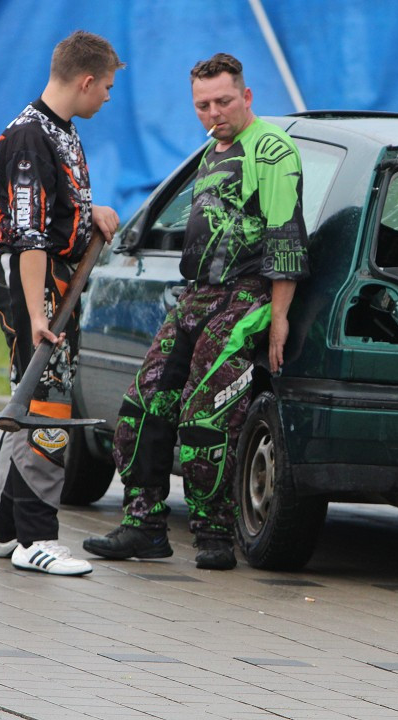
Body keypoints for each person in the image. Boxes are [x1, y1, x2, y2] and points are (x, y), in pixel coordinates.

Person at [83, 52, 309, 570]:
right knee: (141, 409)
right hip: (195, 298)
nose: (213, 113)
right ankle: (144, 527)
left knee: (205, 417)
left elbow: (286, 237)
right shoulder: (213, 148)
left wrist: (277, 316)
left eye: (224, 102)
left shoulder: (271, 149)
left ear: (247, 97)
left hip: (245, 297)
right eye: (203, 105)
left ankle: (213, 537)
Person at [0, 31, 122, 576]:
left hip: (55, 282)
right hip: (31, 283)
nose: (108, 97)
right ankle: (35, 539)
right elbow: (28, 237)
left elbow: (60, 212)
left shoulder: (62, 130)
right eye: (106, 87)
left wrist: (95, 213)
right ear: (85, 81)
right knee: (46, 405)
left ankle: (2, 531)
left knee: (28, 400)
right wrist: (38, 314)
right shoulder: (27, 137)